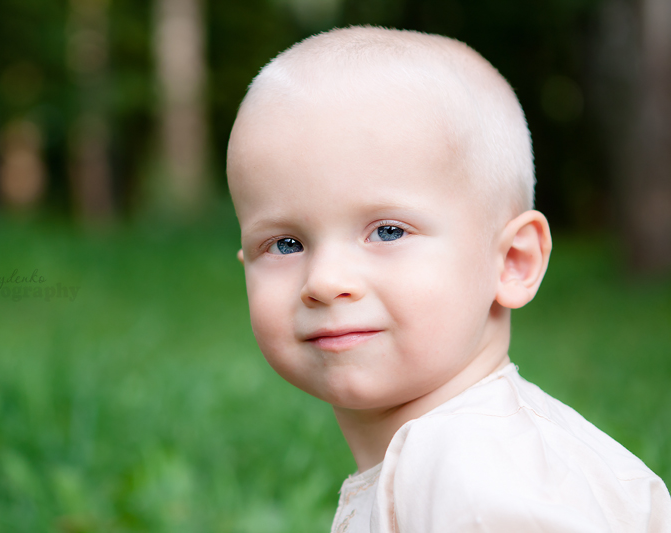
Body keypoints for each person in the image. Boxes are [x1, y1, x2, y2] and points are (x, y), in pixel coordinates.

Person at [225, 26, 671, 532]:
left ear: (513, 261)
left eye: (388, 231)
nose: (325, 281)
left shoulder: (475, 474)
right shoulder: (460, 454)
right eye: (286, 244)